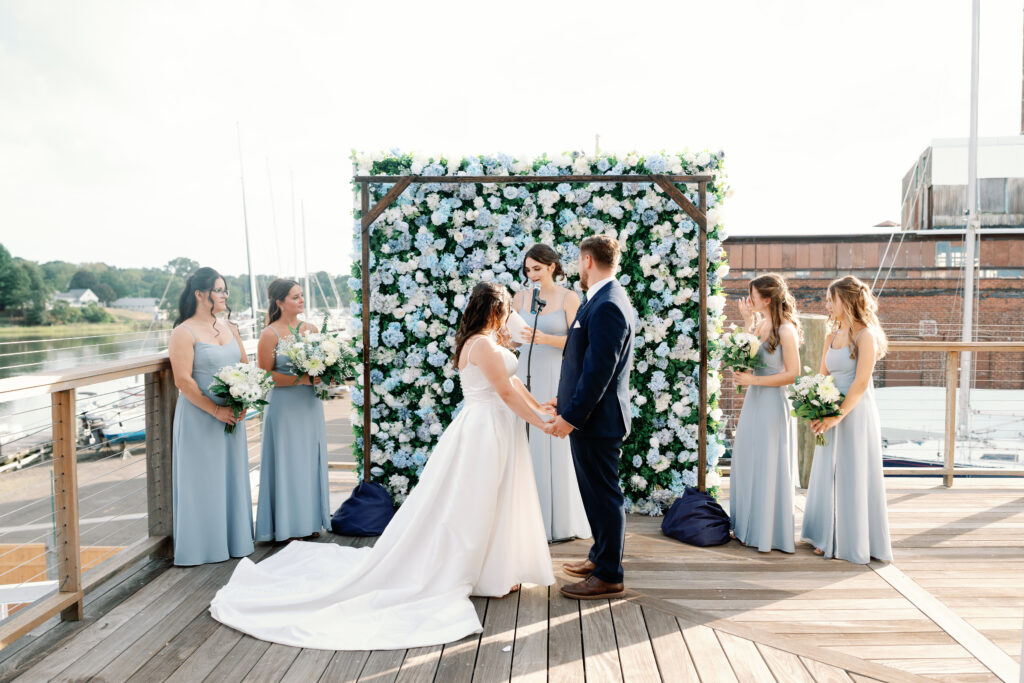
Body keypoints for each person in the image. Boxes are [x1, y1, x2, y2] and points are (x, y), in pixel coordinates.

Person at [210, 282, 556, 650]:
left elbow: (512, 382)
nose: (509, 315)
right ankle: (481, 572)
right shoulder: (482, 344)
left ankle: (496, 568)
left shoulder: (485, 340)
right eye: (506, 308)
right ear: (496, 309)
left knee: (496, 496)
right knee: (478, 500)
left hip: (495, 425)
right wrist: (541, 423)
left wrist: (539, 407)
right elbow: (504, 391)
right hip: (484, 428)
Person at [548, 234, 635, 600]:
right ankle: (600, 557)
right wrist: (563, 400)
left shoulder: (608, 304)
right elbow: (584, 363)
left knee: (604, 496)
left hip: (598, 420)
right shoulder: (601, 298)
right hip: (591, 417)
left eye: (578, 261)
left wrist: (572, 416)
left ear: (587, 260)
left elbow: (600, 371)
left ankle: (609, 575)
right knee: (595, 495)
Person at [802, 276, 893, 565]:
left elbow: (861, 382)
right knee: (827, 470)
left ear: (848, 300)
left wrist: (836, 416)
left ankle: (851, 539)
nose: (827, 305)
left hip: (854, 412)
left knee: (852, 472)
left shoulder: (865, 335)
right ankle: (825, 535)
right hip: (829, 408)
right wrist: (815, 410)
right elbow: (822, 376)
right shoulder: (831, 335)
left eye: (832, 300)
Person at [167, 267, 254, 566]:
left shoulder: (230, 327)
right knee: (203, 482)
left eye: (224, 289)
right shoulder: (183, 332)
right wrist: (216, 410)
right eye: (218, 290)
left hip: (232, 416)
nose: (224, 295)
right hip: (200, 419)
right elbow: (183, 380)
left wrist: (244, 399)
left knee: (230, 478)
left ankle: (234, 541)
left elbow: (244, 366)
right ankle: (202, 549)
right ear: (199, 294)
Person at [512, 244, 591, 542]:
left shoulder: (569, 297)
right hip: (524, 373)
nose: (532, 274)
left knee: (553, 439)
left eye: (537, 268)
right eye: (528, 269)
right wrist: (508, 340)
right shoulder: (520, 297)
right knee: (524, 440)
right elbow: (515, 339)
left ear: (552, 267)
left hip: (556, 375)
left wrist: (544, 338)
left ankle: (557, 522)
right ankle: (523, 522)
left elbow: (579, 342)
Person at [254, 279, 331, 543]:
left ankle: (310, 522)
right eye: (295, 297)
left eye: (301, 295)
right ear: (279, 302)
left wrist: (328, 373)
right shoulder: (270, 334)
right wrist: (303, 379)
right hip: (284, 408)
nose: (301, 300)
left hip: (310, 405)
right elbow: (265, 376)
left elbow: (324, 364)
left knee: (308, 461)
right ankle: (286, 527)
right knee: (287, 462)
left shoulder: (312, 329)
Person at [729, 273, 800, 553]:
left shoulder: (786, 330)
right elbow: (746, 358)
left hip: (772, 403)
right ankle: (746, 527)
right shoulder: (760, 325)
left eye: (753, 295)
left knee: (768, 463)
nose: (749, 299)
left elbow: (792, 374)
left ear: (767, 299)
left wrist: (753, 380)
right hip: (754, 401)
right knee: (748, 459)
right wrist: (747, 323)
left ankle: (768, 533)